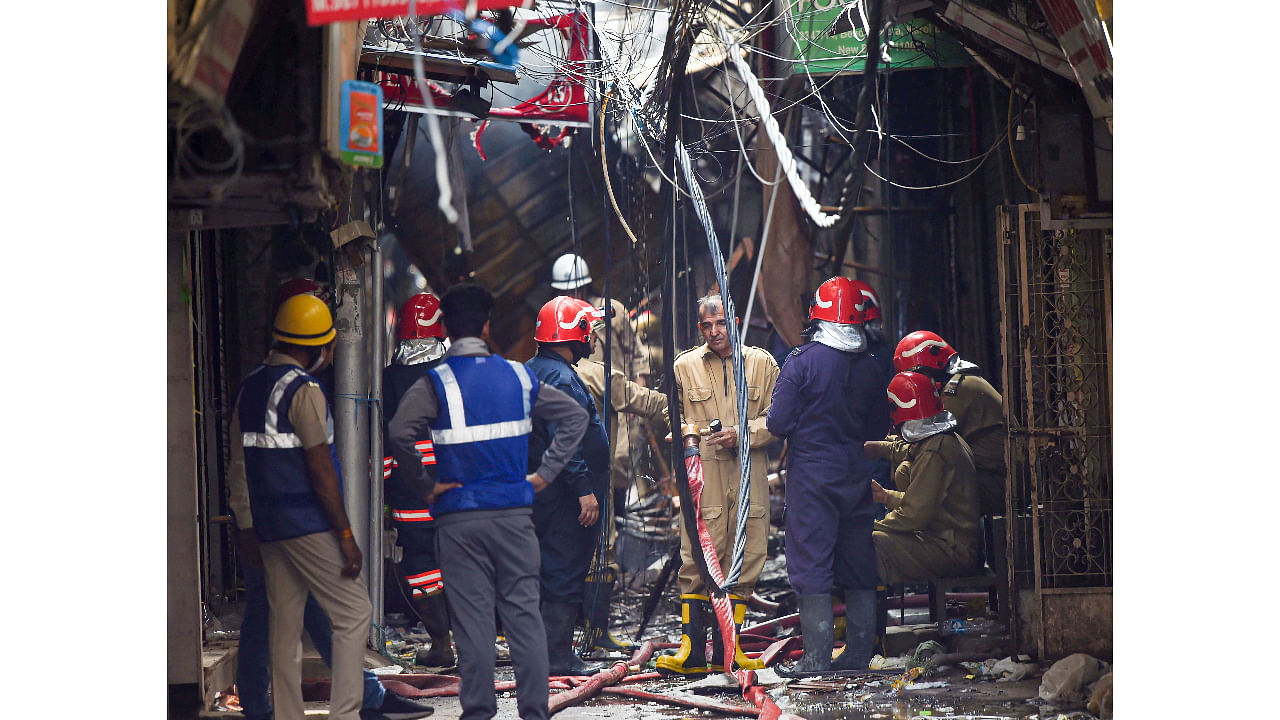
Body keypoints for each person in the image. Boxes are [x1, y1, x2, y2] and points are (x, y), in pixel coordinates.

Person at [386, 283, 590, 720]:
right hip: (515, 517)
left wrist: (424, 485)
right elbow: (575, 416)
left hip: (459, 521)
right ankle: (534, 712)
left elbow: (400, 432)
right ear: (485, 326)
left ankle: (478, 713)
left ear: (447, 329)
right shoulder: (518, 375)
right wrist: (544, 475)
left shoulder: (435, 382)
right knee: (523, 617)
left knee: (474, 622)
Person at [231, 293, 424, 720]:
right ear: (316, 345)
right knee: (355, 613)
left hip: (269, 526)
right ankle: (348, 713)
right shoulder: (304, 390)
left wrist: (248, 522)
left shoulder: (250, 387)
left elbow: (241, 463)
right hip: (308, 523)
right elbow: (320, 468)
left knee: (284, 627)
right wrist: (344, 534)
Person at [766, 277, 887, 676]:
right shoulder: (871, 366)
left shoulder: (801, 362)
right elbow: (877, 426)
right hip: (855, 473)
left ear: (817, 314)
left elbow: (779, 422)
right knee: (858, 560)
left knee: (811, 562)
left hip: (813, 478)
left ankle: (816, 660)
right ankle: (857, 657)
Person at [656, 294, 779, 675]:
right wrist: (686, 432)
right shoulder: (684, 366)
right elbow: (671, 414)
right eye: (706, 326)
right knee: (696, 554)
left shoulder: (761, 364)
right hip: (703, 475)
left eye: (721, 324)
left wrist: (742, 433)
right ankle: (692, 651)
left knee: (748, 552)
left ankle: (731, 649)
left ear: (735, 321)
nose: (714, 332)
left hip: (747, 471)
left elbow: (778, 418)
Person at [573, 301, 670, 655]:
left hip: (556, 480)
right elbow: (632, 396)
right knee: (601, 552)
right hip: (591, 479)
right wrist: (674, 404)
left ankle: (562, 636)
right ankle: (594, 634)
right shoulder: (596, 373)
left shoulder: (536, 371)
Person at [525, 296, 611, 675]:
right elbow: (567, 437)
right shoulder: (560, 376)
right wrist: (583, 489)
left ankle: (543, 653)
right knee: (563, 569)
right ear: (577, 334)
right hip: (565, 495)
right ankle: (557, 657)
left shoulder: (533, 369)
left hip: (543, 491)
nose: (592, 336)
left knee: (546, 568)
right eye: (588, 330)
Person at [381, 293, 454, 667]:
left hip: (409, 490)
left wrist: (381, 491)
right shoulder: (454, 372)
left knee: (421, 560)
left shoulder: (390, 379)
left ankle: (441, 645)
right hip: (454, 486)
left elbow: (384, 441)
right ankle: (474, 643)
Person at [552, 253, 652, 523]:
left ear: (585, 285)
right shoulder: (557, 319)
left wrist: (635, 399)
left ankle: (616, 518)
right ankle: (601, 526)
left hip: (617, 399)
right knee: (587, 466)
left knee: (619, 460)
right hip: (579, 402)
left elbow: (638, 356)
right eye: (564, 291)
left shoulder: (612, 312)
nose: (570, 294)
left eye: (574, 288)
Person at [870, 371, 982, 584]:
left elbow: (914, 515)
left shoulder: (934, 449)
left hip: (951, 550)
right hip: (950, 540)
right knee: (904, 470)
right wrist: (884, 496)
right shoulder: (942, 439)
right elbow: (922, 504)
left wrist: (873, 525)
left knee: (874, 544)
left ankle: (866, 614)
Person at [887, 331, 1006, 516]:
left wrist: (886, 448)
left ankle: (943, 542)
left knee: (919, 472)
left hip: (997, 484)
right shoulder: (964, 382)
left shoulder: (959, 390)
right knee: (908, 470)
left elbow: (924, 442)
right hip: (989, 478)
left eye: (918, 375)